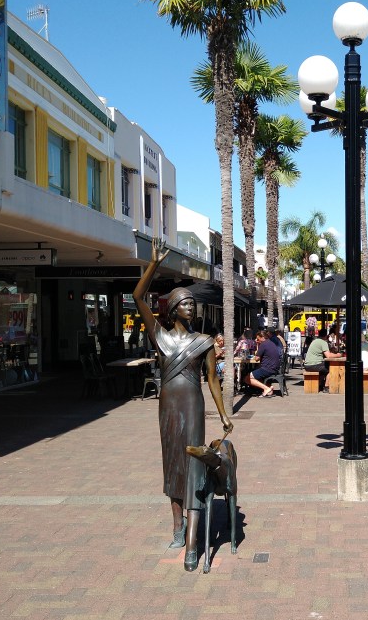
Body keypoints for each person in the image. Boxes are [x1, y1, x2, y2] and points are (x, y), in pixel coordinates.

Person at [133, 239, 232, 573]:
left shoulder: (203, 342)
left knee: (191, 463)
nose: (191, 307)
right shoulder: (160, 337)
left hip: (192, 405)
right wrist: (153, 265)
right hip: (167, 407)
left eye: (193, 303)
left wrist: (223, 414)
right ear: (173, 309)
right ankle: (177, 525)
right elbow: (137, 297)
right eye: (185, 303)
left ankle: (192, 530)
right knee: (172, 464)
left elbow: (212, 380)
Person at [243, 330, 281, 397]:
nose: (257, 340)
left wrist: (258, 345)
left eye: (258, 339)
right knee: (254, 371)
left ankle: (266, 388)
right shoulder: (271, 343)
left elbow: (256, 358)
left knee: (247, 378)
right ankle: (268, 387)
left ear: (262, 337)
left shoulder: (263, 344)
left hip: (267, 368)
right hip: (274, 368)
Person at [304, 327, 341, 392]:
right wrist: (338, 355)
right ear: (326, 336)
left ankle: (320, 385)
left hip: (307, 365)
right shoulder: (323, 342)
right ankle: (326, 387)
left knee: (323, 369)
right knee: (331, 368)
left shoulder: (315, 341)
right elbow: (328, 356)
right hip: (314, 365)